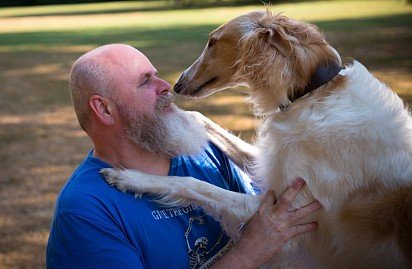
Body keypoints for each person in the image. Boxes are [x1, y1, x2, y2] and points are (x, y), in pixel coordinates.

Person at [46, 44, 321, 269]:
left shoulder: (206, 150)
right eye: (145, 82)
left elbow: (282, 213)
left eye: (156, 75)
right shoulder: (86, 210)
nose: (166, 86)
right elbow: (264, 234)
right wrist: (248, 253)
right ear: (104, 109)